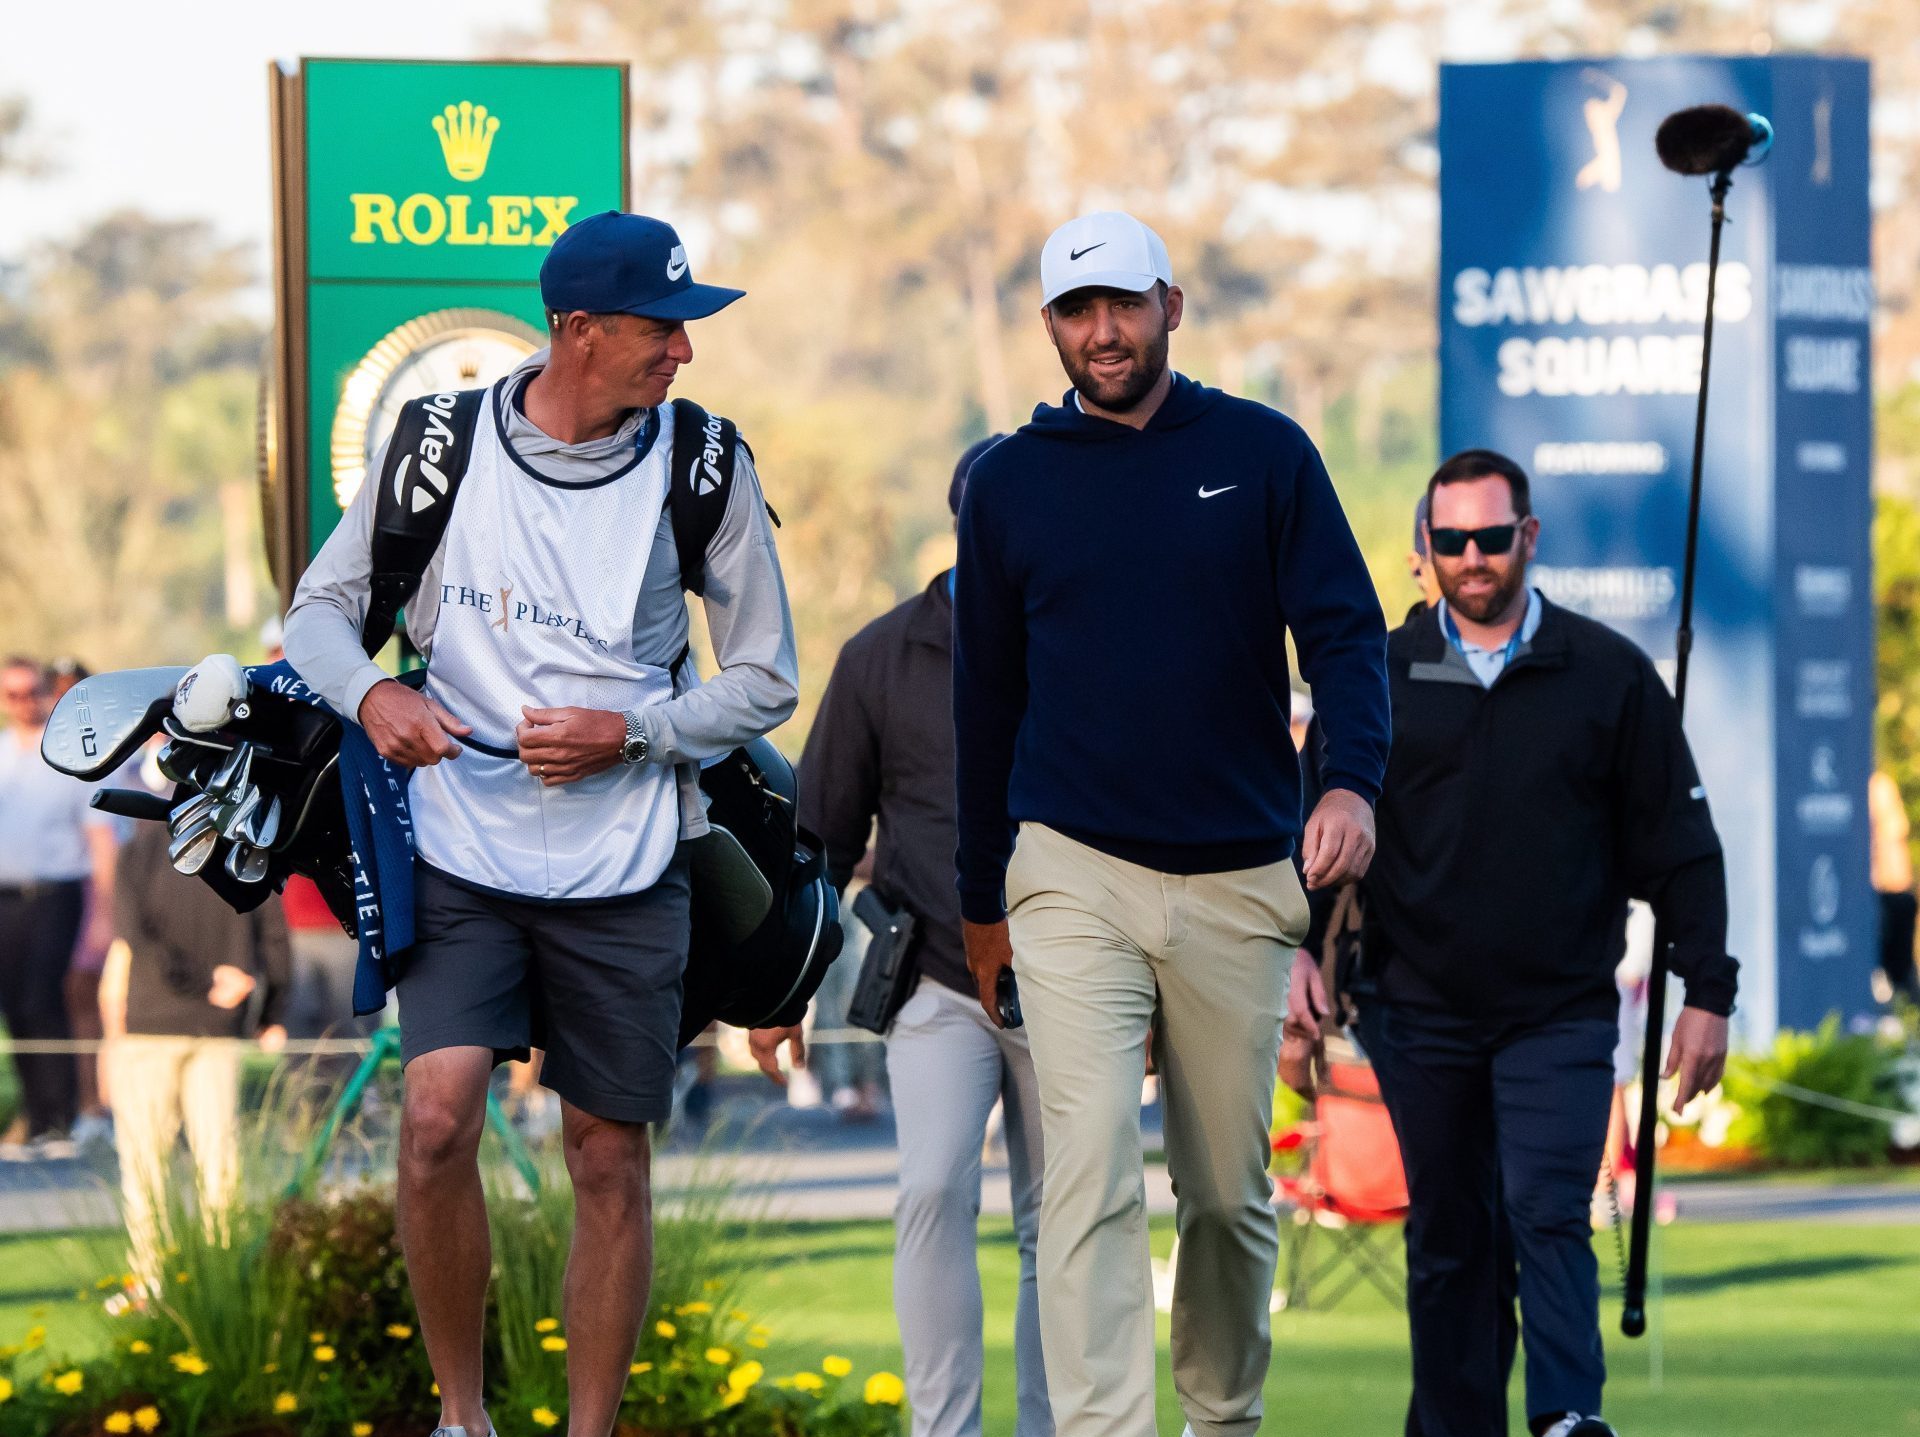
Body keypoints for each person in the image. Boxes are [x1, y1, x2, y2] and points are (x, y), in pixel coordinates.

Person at [284, 212, 799, 1437]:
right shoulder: (435, 444)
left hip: (632, 862)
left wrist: (636, 735)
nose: (683, 352)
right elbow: (317, 615)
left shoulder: (707, 465)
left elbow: (769, 678)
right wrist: (376, 691)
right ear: (579, 330)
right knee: (433, 1118)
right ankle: (463, 1418)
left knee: (606, 1159)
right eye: (661, 328)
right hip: (461, 849)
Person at [953, 211, 1390, 1437]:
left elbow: (1349, 640)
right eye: (1077, 312)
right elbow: (982, 704)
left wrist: (1349, 782)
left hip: (1242, 877)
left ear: (1172, 307)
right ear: (1049, 326)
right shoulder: (1007, 484)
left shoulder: (1264, 453)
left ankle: (1223, 1420)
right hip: (1069, 872)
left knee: (1226, 1196)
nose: (1103, 333)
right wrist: (981, 898)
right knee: (1087, 1174)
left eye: (1124, 306)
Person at [1299, 449, 1738, 1437]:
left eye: (1491, 539)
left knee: (1545, 1209)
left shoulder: (1607, 675)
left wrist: (1708, 991)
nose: (1472, 558)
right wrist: (1296, 950)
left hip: (1560, 1010)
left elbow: (1682, 850)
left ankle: (1566, 1417)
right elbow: (1315, 839)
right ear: (1425, 552)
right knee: (1454, 1241)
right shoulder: (1375, 677)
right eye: (1450, 541)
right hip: (1416, 1009)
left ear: (1527, 539)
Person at [757, 435, 1052, 1437]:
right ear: (965, 517)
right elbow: (822, 840)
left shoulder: (1091, 641)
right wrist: (780, 994)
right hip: (934, 974)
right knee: (930, 1191)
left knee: (1062, 1226)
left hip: (1073, 978)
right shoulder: (880, 656)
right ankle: (944, 1430)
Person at [104, 819, 290, 1293]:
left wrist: (199, 983)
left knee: (147, 1165)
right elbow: (276, 943)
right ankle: (222, 1277)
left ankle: (150, 1283)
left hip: (151, 1024)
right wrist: (267, 1012)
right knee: (219, 1161)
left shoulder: (140, 851)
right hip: (218, 1027)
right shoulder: (242, 848)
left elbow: (133, 935)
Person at [0, 657, 118, 1155]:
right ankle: (38, 1113)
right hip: (7, 899)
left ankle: (62, 1114)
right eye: (13, 694)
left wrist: (105, 913)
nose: (25, 702)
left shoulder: (68, 753)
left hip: (56, 895)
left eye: (32, 692)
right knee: (15, 1010)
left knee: (44, 1002)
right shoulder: (3, 754)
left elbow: (100, 838)